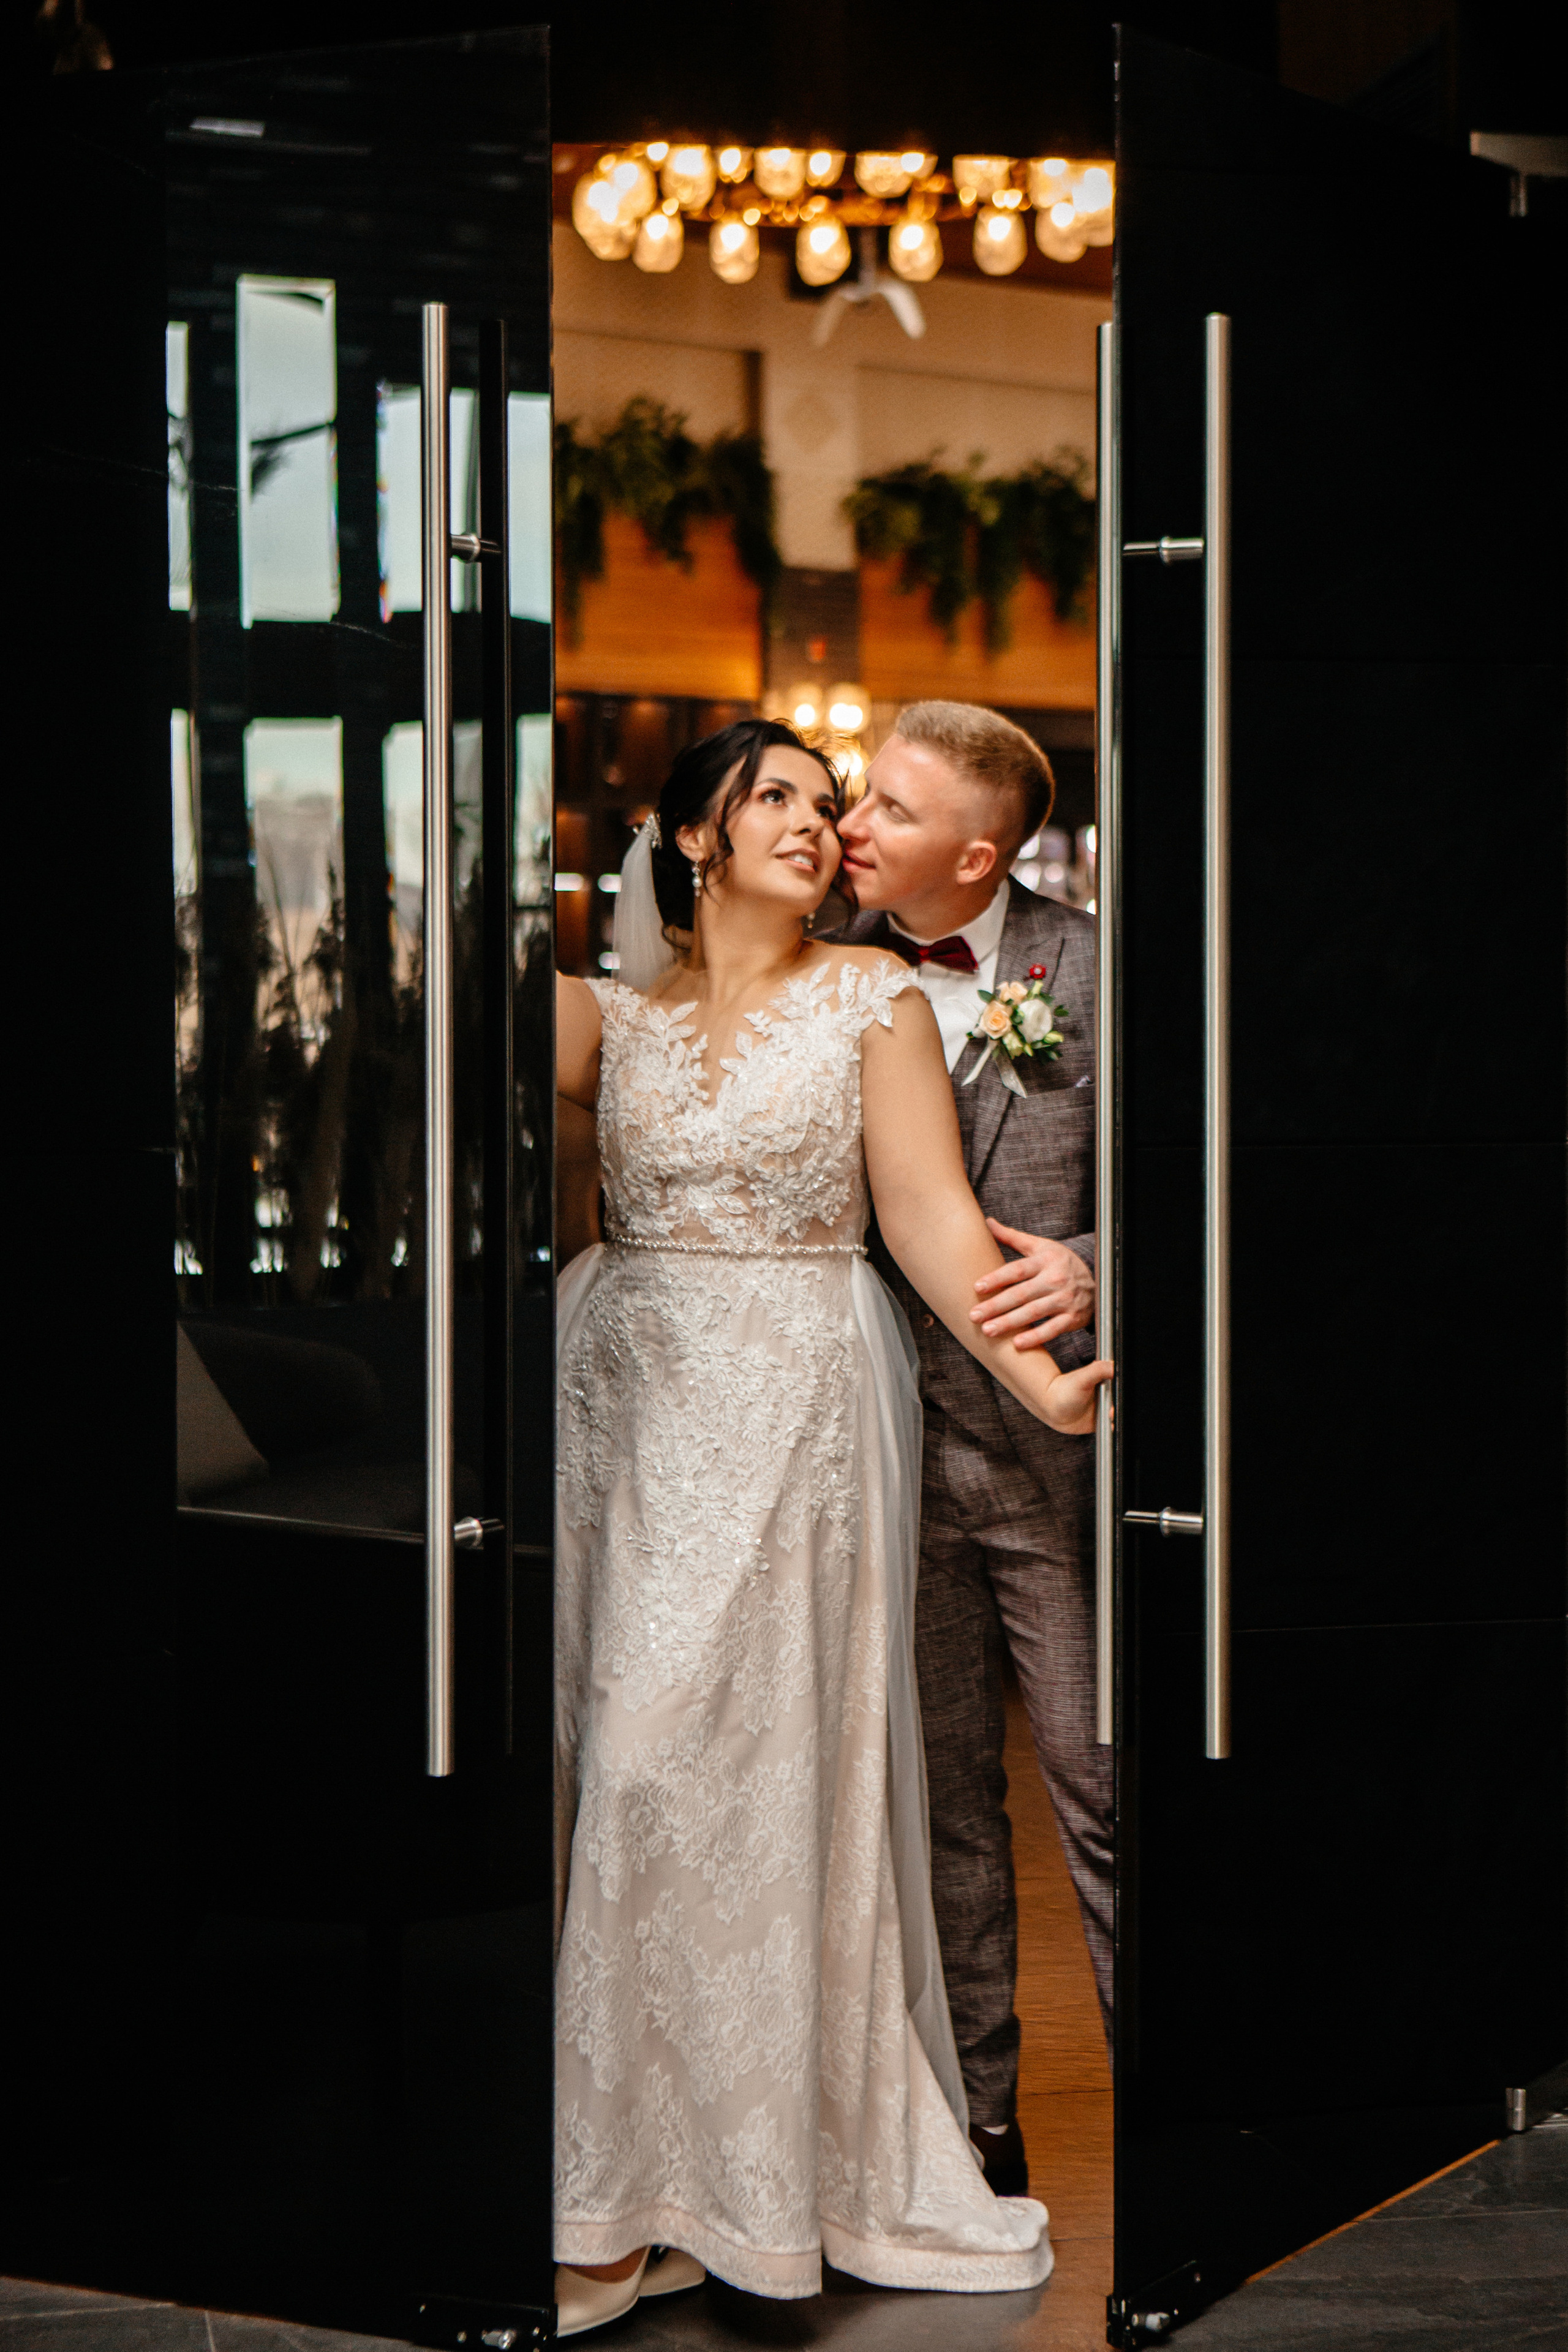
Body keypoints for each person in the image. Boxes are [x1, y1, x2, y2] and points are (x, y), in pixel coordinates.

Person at [552, 718, 1111, 2333]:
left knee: (739, 1776)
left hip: (795, 1418)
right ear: (692, 837)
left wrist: (1053, 1380)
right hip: (629, 1420)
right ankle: (635, 2184)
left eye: (835, 799)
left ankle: (742, 2183)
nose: (822, 823)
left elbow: (932, 1222)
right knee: (625, 1779)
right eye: (778, 799)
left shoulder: (875, 999)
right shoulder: (608, 1018)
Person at [832, 701, 1110, 2201]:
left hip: (1052, 1468)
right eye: (858, 793)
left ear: (978, 853)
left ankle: (1172, 2113)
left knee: (1103, 1786)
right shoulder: (813, 970)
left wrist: (1095, 1268)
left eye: (890, 806)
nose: (850, 825)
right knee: (936, 1808)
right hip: (869, 1450)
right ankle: (974, 2136)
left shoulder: (1097, 970)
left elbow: (1202, 1186)